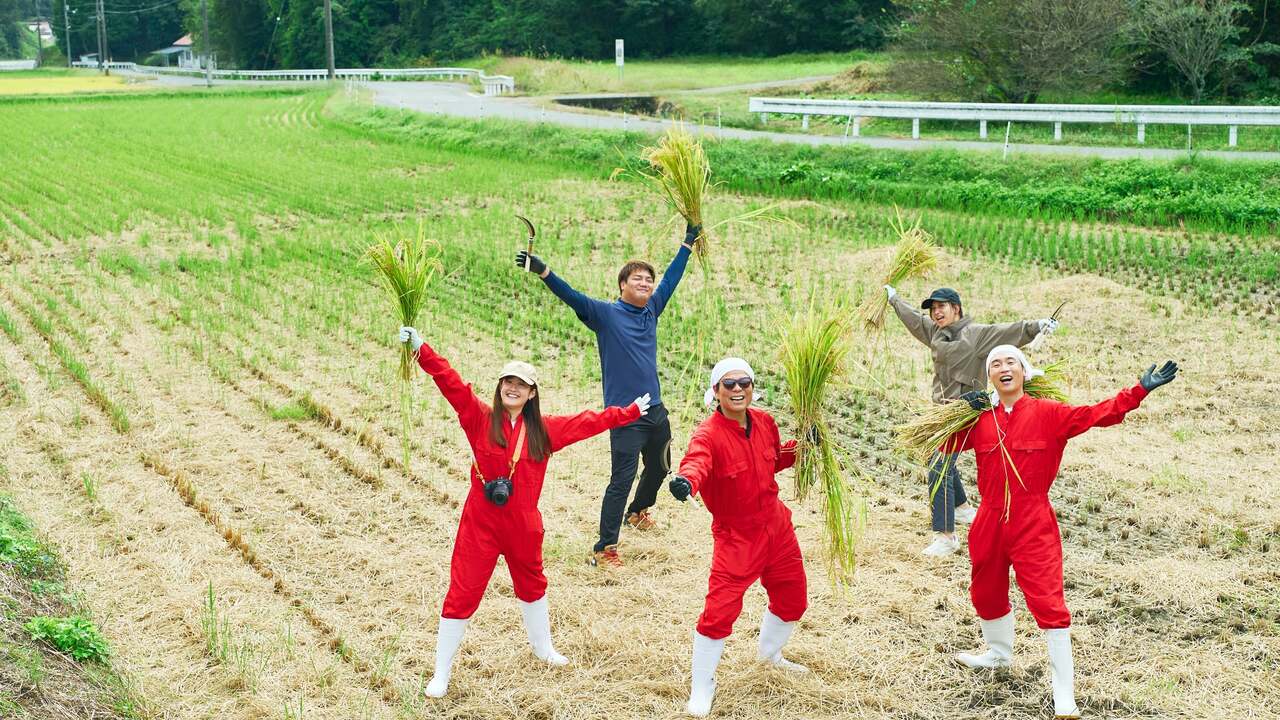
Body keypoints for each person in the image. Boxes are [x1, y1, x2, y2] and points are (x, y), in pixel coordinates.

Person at [397, 326, 649, 698]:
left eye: (521, 384)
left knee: (532, 584)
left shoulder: (543, 431)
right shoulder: (479, 418)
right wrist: (421, 349)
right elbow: (450, 382)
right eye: (506, 382)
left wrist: (627, 413)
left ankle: (543, 648)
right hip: (479, 524)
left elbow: (587, 423)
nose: (512, 388)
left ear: (532, 394)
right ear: (500, 388)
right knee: (463, 591)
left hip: (523, 525)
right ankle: (441, 672)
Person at [945, 344, 1178, 719]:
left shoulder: (1047, 413)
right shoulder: (980, 420)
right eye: (995, 364)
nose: (1003, 368)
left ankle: (1064, 695)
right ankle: (998, 654)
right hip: (988, 518)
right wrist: (959, 411)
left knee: (1048, 601)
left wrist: (1138, 391)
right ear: (989, 376)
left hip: (1032, 519)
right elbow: (941, 444)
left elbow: (1096, 415)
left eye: (1010, 362)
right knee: (985, 589)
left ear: (1024, 371)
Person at [517, 224, 698, 568]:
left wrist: (689, 241)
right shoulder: (606, 314)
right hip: (625, 415)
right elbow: (571, 295)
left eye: (648, 279)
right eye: (637, 279)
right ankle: (605, 547)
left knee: (660, 466)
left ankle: (638, 511)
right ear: (622, 286)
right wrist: (542, 270)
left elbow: (672, 278)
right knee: (622, 478)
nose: (645, 284)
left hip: (656, 410)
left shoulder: (651, 311)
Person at [667, 358, 807, 718]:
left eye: (744, 382)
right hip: (737, 537)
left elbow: (774, 459)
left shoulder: (764, 422)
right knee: (719, 612)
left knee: (793, 598)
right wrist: (687, 481)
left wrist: (803, 445)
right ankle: (702, 686)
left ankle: (770, 656)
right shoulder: (708, 434)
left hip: (777, 528)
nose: (738, 389)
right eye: (729, 384)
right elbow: (696, 462)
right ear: (716, 392)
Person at [887, 285, 1060, 557]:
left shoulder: (976, 334)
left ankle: (945, 536)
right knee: (940, 460)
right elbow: (913, 320)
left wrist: (1038, 326)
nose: (936, 312)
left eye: (941, 307)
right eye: (933, 309)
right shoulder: (934, 332)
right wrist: (894, 299)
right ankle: (962, 508)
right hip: (941, 412)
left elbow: (1011, 331)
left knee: (939, 466)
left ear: (956, 308)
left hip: (966, 413)